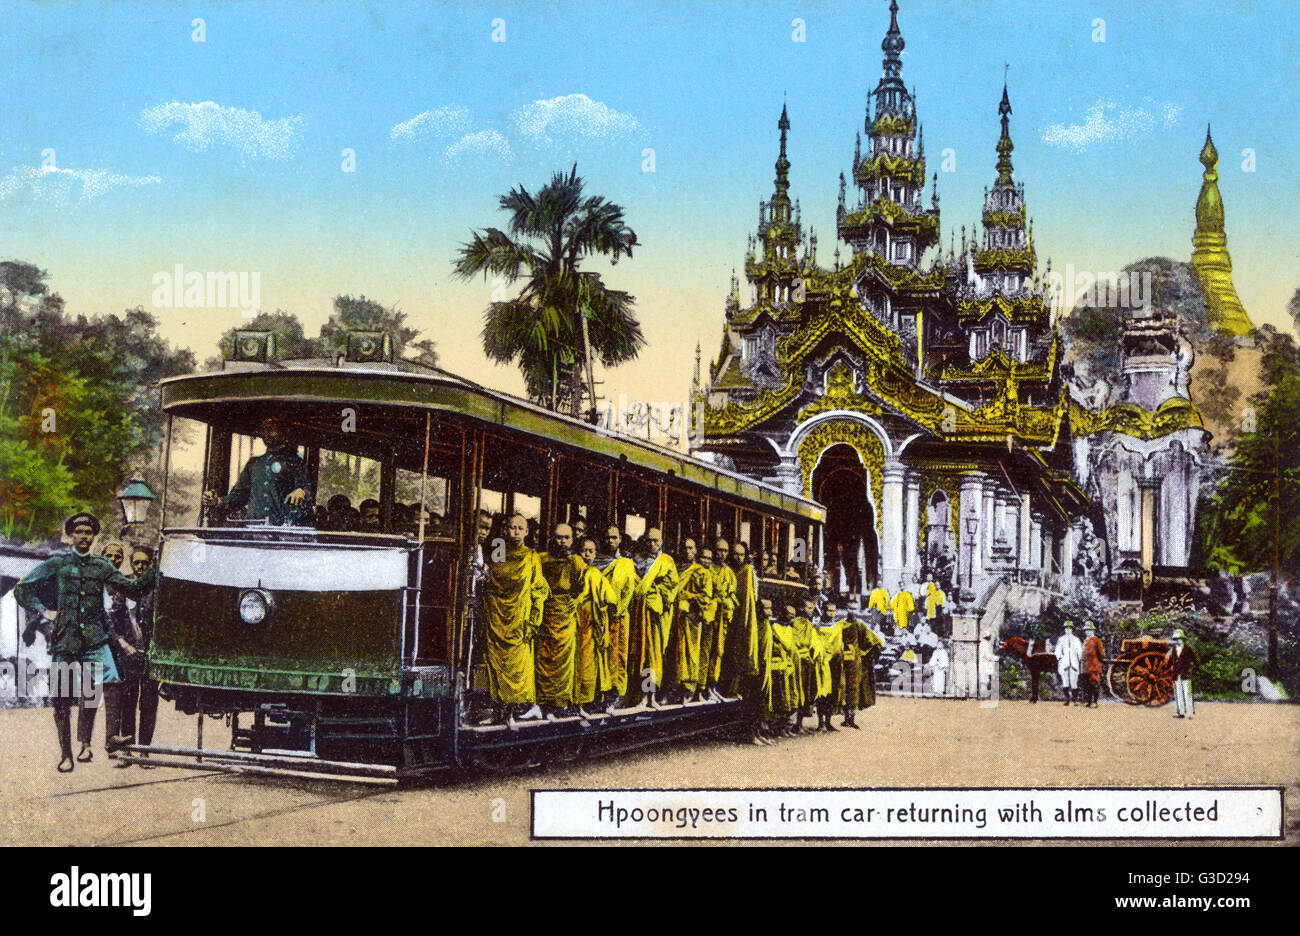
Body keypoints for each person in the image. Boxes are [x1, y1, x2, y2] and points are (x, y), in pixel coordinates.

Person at [14, 513, 157, 772]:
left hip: (94, 639)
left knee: (113, 678)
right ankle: (66, 754)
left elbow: (134, 589)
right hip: (66, 641)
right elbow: (22, 589)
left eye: (88, 533)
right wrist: (45, 611)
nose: (84, 536)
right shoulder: (58, 563)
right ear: (71, 536)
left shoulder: (102, 566)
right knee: (62, 698)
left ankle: (111, 738)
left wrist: (157, 565)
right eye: (79, 532)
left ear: (93, 537)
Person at [482, 514, 548, 725]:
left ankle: (510, 713)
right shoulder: (500, 550)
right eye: (512, 528)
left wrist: (533, 619)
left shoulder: (531, 556)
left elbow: (539, 590)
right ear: (505, 530)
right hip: (497, 617)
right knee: (497, 666)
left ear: (527, 532)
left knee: (517, 668)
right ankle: (497, 712)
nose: (516, 532)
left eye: (521, 528)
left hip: (520, 620)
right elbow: (494, 580)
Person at [202, 417, 313, 526]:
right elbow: (239, 495)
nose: (266, 432)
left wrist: (301, 491)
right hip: (254, 528)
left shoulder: (295, 462)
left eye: (271, 428)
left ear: (283, 432)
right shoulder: (254, 463)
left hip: (284, 530)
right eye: (265, 429)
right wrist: (218, 501)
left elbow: (307, 489)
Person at [109, 547, 160, 767]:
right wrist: (123, 644)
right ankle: (127, 752)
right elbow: (113, 621)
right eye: (136, 563)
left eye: (145, 563)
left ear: (151, 565)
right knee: (127, 703)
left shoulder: (157, 589)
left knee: (148, 703)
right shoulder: (124, 587)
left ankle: (145, 752)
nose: (140, 567)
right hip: (128, 655)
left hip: (150, 655)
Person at [537, 523, 587, 718]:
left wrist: (571, 603)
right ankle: (544, 703)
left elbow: (580, 589)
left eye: (566, 538)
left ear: (572, 540)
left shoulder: (577, 562)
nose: (563, 542)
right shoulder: (543, 560)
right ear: (552, 539)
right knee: (544, 658)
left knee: (564, 660)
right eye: (559, 537)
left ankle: (561, 703)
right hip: (546, 612)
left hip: (565, 614)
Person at [627, 528, 678, 708]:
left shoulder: (667, 562)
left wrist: (654, 592)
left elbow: (671, 589)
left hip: (656, 616)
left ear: (662, 542)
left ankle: (651, 697)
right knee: (642, 654)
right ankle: (641, 696)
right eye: (649, 541)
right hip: (640, 613)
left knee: (653, 656)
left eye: (656, 541)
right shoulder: (639, 561)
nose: (652, 544)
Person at [573, 538, 616, 719]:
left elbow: (612, 598)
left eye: (591, 551)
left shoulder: (596, 574)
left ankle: (587, 701)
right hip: (575, 623)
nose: (588, 554)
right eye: (584, 550)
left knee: (590, 663)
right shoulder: (574, 571)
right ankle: (576, 702)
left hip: (592, 624)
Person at [599, 526, 639, 713]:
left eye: (614, 537)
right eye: (607, 537)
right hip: (599, 615)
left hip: (619, 616)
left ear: (620, 539)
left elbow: (630, 590)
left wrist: (618, 610)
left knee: (618, 655)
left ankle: (617, 695)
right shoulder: (597, 560)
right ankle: (600, 695)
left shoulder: (626, 563)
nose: (610, 541)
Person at [667, 545, 714, 703]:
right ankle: (673, 689)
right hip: (677, 617)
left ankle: (689, 688)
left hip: (693, 618)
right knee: (675, 653)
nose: (688, 551)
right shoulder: (679, 568)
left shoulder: (703, 573)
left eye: (691, 548)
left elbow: (705, 598)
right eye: (704, 558)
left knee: (691, 653)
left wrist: (686, 596)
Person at [718, 542, 759, 701]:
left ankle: (734, 689)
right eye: (736, 554)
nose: (739, 557)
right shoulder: (728, 571)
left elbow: (749, 599)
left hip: (742, 617)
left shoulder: (747, 571)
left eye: (742, 554)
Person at [706, 538, 737, 700]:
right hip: (707, 618)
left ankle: (712, 686)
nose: (722, 554)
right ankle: (700, 687)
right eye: (719, 550)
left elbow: (731, 597)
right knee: (705, 651)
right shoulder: (707, 570)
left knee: (718, 652)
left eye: (725, 551)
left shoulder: (729, 574)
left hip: (722, 619)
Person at [813, 601, 842, 731]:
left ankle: (829, 722)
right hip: (821, 661)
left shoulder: (836, 626)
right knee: (821, 692)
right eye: (829, 610)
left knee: (832, 693)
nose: (832, 613)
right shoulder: (817, 625)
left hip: (833, 662)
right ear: (824, 611)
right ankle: (820, 723)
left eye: (834, 611)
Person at [1165, 629, 1197, 718]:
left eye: (1179, 639)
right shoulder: (1174, 649)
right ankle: (1181, 712)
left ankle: (1190, 713)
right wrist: (1168, 669)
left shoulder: (1188, 648)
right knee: (1178, 694)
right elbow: (1171, 661)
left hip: (1185, 674)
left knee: (1188, 694)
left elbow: (1194, 660)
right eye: (1175, 639)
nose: (1177, 641)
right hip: (1176, 674)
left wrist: (1190, 668)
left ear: (1182, 639)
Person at [1055, 620, 1084, 706]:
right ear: (1064, 629)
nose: (1068, 630)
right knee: (1065, 682)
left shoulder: (1076, 639)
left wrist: (1079, 659)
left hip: (1074, 664)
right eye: (1066, 628)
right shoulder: (1061, 639)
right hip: (1064, 664)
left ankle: (1075, 700)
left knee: (1074, 682)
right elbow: (1057, 651)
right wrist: (1060, 658)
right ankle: (1067, 699)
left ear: (1072, 629)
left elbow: (1080, 651)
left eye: (1069, 628)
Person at [1082, 621, 1105, 708]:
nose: (1087, 632)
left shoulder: (1096, 640)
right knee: (1088, 685)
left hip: (1094, 665)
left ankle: (1095, 702)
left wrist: (1098, 661)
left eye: (1089, 630)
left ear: (1093, 630)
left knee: (1094, 683)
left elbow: (1101, 652)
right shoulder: (1085, 641)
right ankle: (1089, 702)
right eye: (1086, 630)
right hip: (1087, 666)